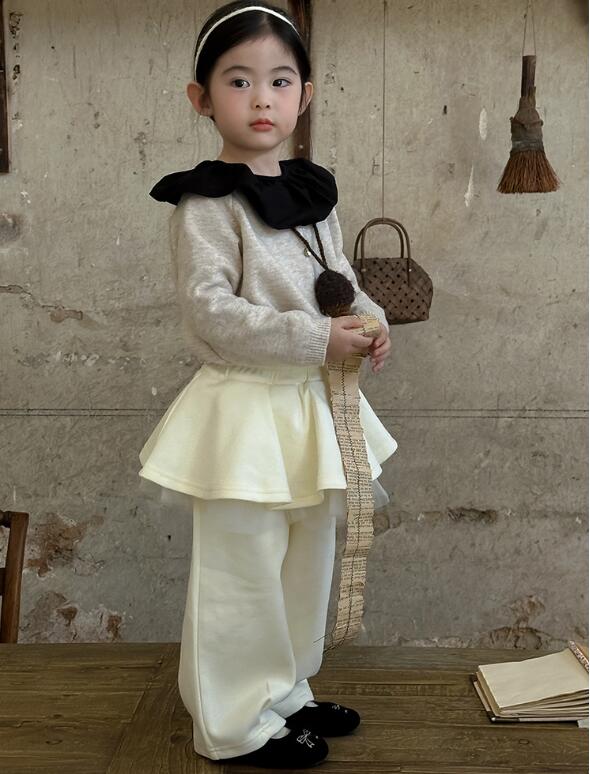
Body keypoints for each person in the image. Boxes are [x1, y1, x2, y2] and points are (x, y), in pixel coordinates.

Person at [137, 1, 398, 768]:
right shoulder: (206, 202)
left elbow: (336, 278)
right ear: (201, 97)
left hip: (310, 407)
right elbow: (211, 312)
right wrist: (318, 339)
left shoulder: (313, 194)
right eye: (239, 80)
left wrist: (371, 321)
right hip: (246, 410)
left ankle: (283, 693)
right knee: (241, 573)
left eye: (280, 81)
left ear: (304, 95)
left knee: (305, 560)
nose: (261, 98)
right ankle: (232, 724)